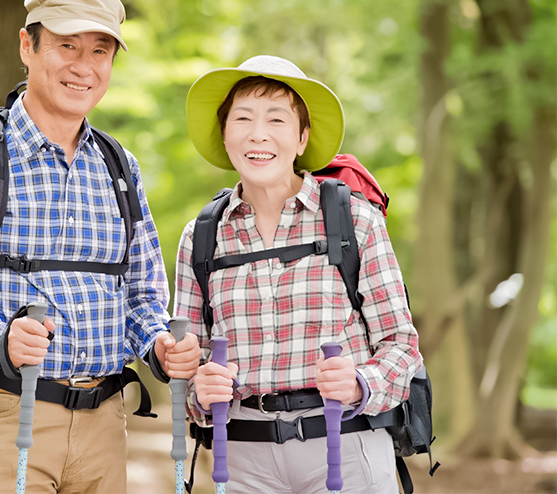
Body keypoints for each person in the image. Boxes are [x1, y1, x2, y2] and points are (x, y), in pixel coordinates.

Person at [0, 0, 201, 494]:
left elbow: (142, 295)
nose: (83, 66)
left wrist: (160, 345)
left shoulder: (119, 166)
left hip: (105, 423)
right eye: (66, 45)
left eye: (100, 50)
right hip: (5, 413)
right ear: (28, 46)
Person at [174, 55, 422, 493]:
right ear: (225, 134)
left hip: (345, 445)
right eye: (243, 119)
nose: (258, 134)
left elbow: (401, 345)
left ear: (302, 136)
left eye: (277, 119)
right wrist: (198, 387)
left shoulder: (353, 221)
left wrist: (361, 382)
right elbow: (187, 365)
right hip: (241, 458)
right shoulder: (202, 237)